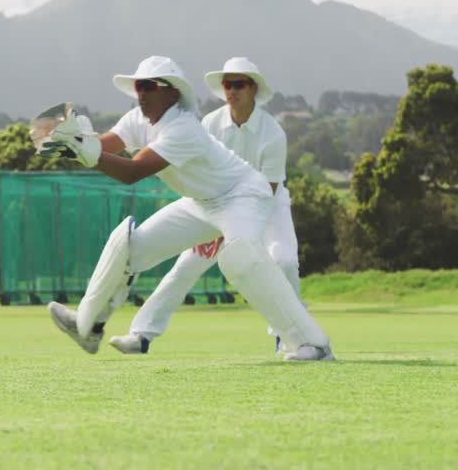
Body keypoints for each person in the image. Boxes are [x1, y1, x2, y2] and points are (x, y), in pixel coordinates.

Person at [42, 56, 332, 361]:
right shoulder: (137, 119)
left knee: (241, 257)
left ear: (171, 92)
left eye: (149, 86)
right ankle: (88, 325)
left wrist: (86, 152)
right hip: (201, 202)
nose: (141, 93)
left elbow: (132, 172)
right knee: (130, 247)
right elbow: (103, 148)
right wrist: (74, 143)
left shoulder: (184, 128)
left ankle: (311, 345)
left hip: (243, 195)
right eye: (139, 86)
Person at [109, 57, 301, 355]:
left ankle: (291, 337)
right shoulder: (209, 124)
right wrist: (213, 226)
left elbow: (269, 189)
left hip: (269, 203)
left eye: (239, 84)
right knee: (187, 265)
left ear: (253, 89)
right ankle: (141, 335)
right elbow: (197, 174)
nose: (232, 90)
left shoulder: (273, 132)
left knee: (284, 260)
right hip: (215, 205)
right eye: (227, 84)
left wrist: (227, 231)